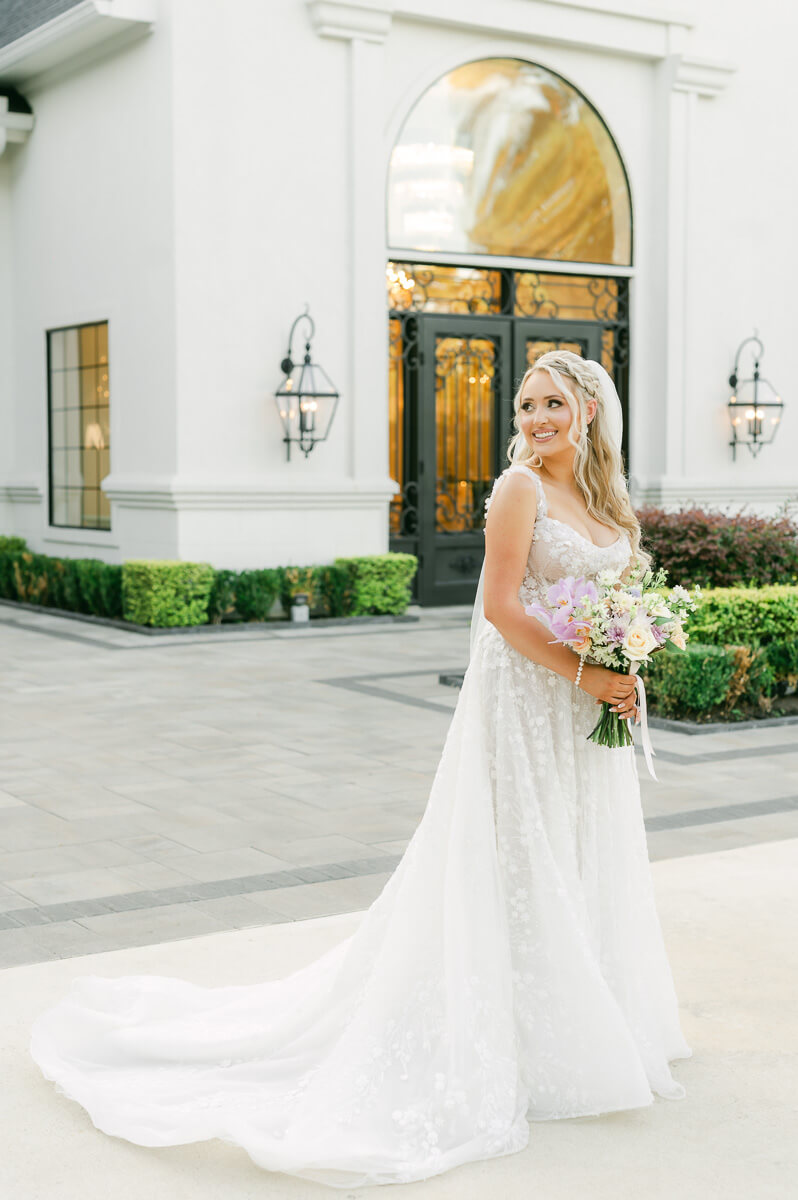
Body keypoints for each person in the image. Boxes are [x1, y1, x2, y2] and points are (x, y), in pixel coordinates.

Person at [30, 351, 691, 1189]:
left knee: (577, 853)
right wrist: (587, 669)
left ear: (590, 411)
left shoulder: (607, 501)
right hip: (526, 702)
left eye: (552, 404)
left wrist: (627, 659)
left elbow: (614, 600)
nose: (535, 420)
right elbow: (498, 607)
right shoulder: (517, 489)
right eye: (525, 406)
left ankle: (581, 1024)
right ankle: (516, 1041)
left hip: (580, 710)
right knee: (522, 857)